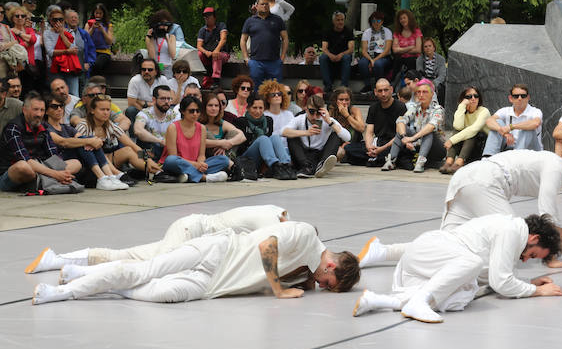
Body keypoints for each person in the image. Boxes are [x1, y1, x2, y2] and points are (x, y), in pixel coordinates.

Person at [359, 145, 562, 269]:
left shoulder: (549, 163)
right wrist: (558, 254)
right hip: (486, 182)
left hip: (467, 179)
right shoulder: (556, 164)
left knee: (444, 245)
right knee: (512, 232)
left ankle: (382, 251)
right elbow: (548, 214)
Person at [31, 220, 360, 305]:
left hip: (212, 285)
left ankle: (103, 285)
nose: (320, 286)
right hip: (217, 251)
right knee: (143, 269)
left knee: (161, 294)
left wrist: (297, 284)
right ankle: (66, 290)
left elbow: (298, 273)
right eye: (327, 284)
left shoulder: (307, 272)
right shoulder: (306, 236)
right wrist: (279, 290)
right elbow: (267, 245)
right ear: (331, 266)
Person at [352, 214, 562, 324]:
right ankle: (419, 301)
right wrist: (537, 291)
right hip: (428, 253)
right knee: (473, 264)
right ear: (534, 238)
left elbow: (496, 277)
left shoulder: (512, 231)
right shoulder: (511, 231)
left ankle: (377, 301)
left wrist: (526, 284)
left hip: (426, 267)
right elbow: (500, 282)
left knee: (461, 296)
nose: (526, 260)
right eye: (532, 255)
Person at [25, 205, 290, 273]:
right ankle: (72, 272)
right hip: (191, 233)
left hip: (190, 231)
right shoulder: (271, 224)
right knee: (148, 269)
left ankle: (57, 260)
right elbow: (263, 254)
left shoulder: (274, 212)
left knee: (131, 255)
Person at [0, 92, 82, 192]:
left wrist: (59, 173)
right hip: (14, 172)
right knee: (22, 167)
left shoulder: (44, 127)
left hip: (40, 168)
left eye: (42, 110)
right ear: (24, 110)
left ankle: (42, 182)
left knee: (76, 163)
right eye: (35, 110)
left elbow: (54, 157)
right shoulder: (13, 128)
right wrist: (56, 174)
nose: (39, 114)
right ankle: (49, 180)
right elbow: (26, 160)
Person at [45, 93, 128, 190]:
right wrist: (89, 141)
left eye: (61, 106)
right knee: (85, 141)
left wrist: (92, 141)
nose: (59, 109)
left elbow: (82, 138)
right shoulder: (46, 128)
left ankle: (110, 176)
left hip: (83, 159)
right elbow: (63, 142)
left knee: (87, 140)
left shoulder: (66, 128)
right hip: (59, 160)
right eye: (54, 107)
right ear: (46, 110)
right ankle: (102, 177)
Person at [76, 93, 162, 176]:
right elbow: (76, 147)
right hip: (89, 164)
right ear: (92, 110)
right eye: (102, 109)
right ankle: (119, 175)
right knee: (100, 153)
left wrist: (148, 160)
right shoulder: (84, 126)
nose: (106, 113)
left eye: (108, 109)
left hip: (109, 160)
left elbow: (132, 145)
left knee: (128, 149)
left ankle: (156, 172)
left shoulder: (110, 126)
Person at [159, 95, 232, 183]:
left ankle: (187, 176)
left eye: (198, 111)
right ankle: (205, 178)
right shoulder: (173, 127)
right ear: (182, 111)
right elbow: (173, 155)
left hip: (195, 164)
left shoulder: (202, 128)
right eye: (191, 111)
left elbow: (201, 155)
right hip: (178, 164)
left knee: (223, 160)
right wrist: (195, 164)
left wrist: (201, 163)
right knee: (171, 160)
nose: (195, 114)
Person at [381, 79, 445, 173]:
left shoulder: (438, 109)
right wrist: (404, 137)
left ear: (432, 94)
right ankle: (391, 160)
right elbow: (401, 120)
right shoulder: (415, 107)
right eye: (418, 92)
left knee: (428, 131)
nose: (421, 95)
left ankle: (420, 162)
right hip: (419, 144)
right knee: (403, 127)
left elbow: (431, 126)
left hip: (437, 149)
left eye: (425, 92)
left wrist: (411, 139)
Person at [282, 93, 348, 178]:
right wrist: (306, 132)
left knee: (336, 134)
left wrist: (330, 122)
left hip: (319, 154)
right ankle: (306, 167)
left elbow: (347, 137)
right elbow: (284, 132)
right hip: (302, 155)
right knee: (291, 135)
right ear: (306, 109)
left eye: (318, 113)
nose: (314, 116)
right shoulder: (300, 119)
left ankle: (323, 164)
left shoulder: (328, 120)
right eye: (311, 112)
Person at [345, 78, 406, 166]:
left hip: (392, 143)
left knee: (399, 151)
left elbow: (399, 135)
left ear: (391, 90)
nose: (383, 94)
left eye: (386, 90)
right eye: (380, 91)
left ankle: (375, 159)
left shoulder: (400, 107)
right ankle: (377, 159)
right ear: (375, 92)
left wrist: (381, 149)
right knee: (349, 148)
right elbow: (369, 132)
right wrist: (369, 147)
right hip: (377, 142)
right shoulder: (373, 108)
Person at [233, 95, 296, 180]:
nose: (258, 111)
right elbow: (241, 147)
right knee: (263, 138)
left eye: (260, 108)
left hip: (264, 157)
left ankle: (285, 166)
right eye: (254, 108)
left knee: (275, 137)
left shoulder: (268, 120)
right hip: (248, 158)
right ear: (248, 108)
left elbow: (270, 144)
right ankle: (275, 166)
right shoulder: (241, 121)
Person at [482, 83, 543, 156]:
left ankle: (516, 159)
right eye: (516, 96)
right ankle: (488, 157)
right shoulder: (505, 110)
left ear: (528, 98)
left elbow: (535, 123)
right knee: (497, 122)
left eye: (523, 96)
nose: (519, 98)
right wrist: (504, 132)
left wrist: (511, 127)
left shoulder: (535, 111)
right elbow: (489, 121)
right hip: (509, 147)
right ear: (511, 98)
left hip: (532, 150)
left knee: (528, 128)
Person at [440, 85, 489, 173]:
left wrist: (451, 140)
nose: (473, 98)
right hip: (466, 149)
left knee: (472, 133)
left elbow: (474, 129)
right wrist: (462, 105)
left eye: (476, 96)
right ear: (464, 99)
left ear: (479, 98)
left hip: (480, 147)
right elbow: (458, 126)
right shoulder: (462, 111)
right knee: (458, 130)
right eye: (469, 97)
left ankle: (459, 162)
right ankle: (449, 161)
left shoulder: (484, 111)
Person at [240, 0, 288, 87]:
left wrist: (282, 57)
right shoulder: (250, 21)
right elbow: (243, 40)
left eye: (267, 4)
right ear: (256, 6)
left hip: (274, 62)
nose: (265, 6)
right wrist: (246, 58)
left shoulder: (277, 20)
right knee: (256, 90)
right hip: (255, 62)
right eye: (262, 4)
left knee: (275, 90)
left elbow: (285, 38)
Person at [133, 85, 180, 160]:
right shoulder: (145, 113)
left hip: (167, 151)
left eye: (169, 99)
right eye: (163, 99)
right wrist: (160, 141)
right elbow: (138, 131)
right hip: (148, 152)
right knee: (136, 153)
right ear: (154, 100)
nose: (167, 102)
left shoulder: (173, 114)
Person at [43, 6, 82, 95]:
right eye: (55, 20)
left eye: (60, 19)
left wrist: (62, 34)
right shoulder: (47, 33)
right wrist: (66, 52)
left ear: (64, 20)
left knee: (73, 94)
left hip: (70, 67)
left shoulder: (70, 32)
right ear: (50, 21)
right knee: (57, 94)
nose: (58, 22)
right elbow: (50, 52)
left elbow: (73, 48)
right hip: (55, 67)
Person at [199, 92, 246, 162]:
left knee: (233, 133)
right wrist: (221, 143)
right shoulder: (198, 123)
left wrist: (228, 143)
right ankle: (227, 163)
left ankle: (227, 160)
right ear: (204, 107)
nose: (213, 108)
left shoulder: (222, 123)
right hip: (207, 159)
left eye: (216, 106)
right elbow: (198, 142)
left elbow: (242, 136)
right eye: (210, 105)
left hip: (224, 155)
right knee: (206, 132)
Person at [126, 58, 170, 126]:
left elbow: (167, 100)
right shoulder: (135, 80)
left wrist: (141, 102)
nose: (146, 72)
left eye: (150, 70)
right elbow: (131, 103)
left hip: (158, 109)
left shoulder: (163, 80)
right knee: (130, 110)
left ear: (156, 71)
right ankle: (133, 136)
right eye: (144, 69)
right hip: (140, 109)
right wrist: (146, 114)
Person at [318, 11, 355, 92]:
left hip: (344, 55)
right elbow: (324, 48)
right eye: (338, 20)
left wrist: (341, 54)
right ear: (333, 21)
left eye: (342, 20)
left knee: (347, 57)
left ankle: (344, 85)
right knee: (322, 58)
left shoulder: (348, 31)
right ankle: (328, 85)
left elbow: (351, 49)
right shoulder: (327, 31)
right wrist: (330, 55)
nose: (340, 22)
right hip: (331, 55)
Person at [358, 10, 392, 93]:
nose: (376, 23)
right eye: (374, 21)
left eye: (379, 21)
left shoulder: (387, 32)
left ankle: (379, 86)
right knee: (362, 63)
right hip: (370, 55)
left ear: (382, 22)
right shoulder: (367, 32)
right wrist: (371, 59)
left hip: (383, 56)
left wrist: (374, 60)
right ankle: (367, 85)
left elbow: (387, 50)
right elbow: (364, 51)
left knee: (378, 64)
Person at [328, 87, 365, 161]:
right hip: (337, 144)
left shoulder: (354, 110)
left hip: (352, 143)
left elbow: (361, 128)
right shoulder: (331, 110)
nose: (344, 102)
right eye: (341, 100)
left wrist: (347, 115)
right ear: (336, 100)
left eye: (347, 100)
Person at [196, 7, 229, 88]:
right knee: (199, 54)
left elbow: (223, 39)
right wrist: (206, 52)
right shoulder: (202, 30)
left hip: (221, 53)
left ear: (214, 17)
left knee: (217, 55)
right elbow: (199, 46)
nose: (206, 18)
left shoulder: (221, 26)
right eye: (205, 16)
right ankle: (207, 73)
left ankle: (216, 80)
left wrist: (216, 50)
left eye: (209, 16)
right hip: (208, 55)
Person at [65, 7, 95, 93]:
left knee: (83, 92)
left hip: (82, 69)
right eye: (71, 17)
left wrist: (89, 63)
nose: (74, 19)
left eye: (76, 17)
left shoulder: (84, 34)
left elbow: (91, 49)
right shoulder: (63, 33)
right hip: (69, 69)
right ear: (66, 20)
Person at [8, 5, 38, 92]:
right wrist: (26, 43)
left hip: (30, 68)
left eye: (23, 16)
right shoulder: (9, 31)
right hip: (17, 68)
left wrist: (19, 34)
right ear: (12, 18)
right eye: (17, 16)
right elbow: (14, 48)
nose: (20, 18)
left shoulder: (29, 30)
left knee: (30, 93)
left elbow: (33, 40)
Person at [259, 79, 294, 151]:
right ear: (267, 99)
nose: (277, 96)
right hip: (271, 149)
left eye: (279, 94)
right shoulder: (263, 115)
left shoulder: (289, 114)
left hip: (289, 149)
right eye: (273, 95)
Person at [390, 9, 422, 86]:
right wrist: (410, 47)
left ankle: (411, 84)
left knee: (410, 61)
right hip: (400, 59)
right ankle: (393, 85)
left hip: (413, 59)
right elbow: (395, 50)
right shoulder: (397, 33)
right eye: (400, 19)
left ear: (409, 18)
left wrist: (401, 49)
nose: (402, 20)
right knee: (397, 60)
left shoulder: (416, 31)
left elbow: (418, 49)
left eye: (404, 18)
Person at [144, 10, 178, 78]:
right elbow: (152, 56)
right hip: (154, 67)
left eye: (165, 24)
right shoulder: (150, 38)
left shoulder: (171, 37)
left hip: (167, 68)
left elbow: (173, 55)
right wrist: (150, 38)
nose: (163, 27)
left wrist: (167, 38)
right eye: (161, 24)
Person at [85, 3, 113, 77]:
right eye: (96, 13)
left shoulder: (108, 25)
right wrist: (92, 29)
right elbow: (85, 38)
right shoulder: (88, 24)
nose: (98, 15)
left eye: (100, 13)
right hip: (91, 52)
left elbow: (110, 41)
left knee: (97, 64)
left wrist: (103, 30)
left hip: (104, 52)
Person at [416, 37, 446, 103]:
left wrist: (433, 83)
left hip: (436, 81)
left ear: (434, 47)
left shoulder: (441, 59)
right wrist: (426, 83)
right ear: (423, 49)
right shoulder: (419, 59)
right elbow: (419, 74)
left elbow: (442, 75)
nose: (428, 48)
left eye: (430, 46)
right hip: (424, 81)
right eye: (425, 46)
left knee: (441, 89)